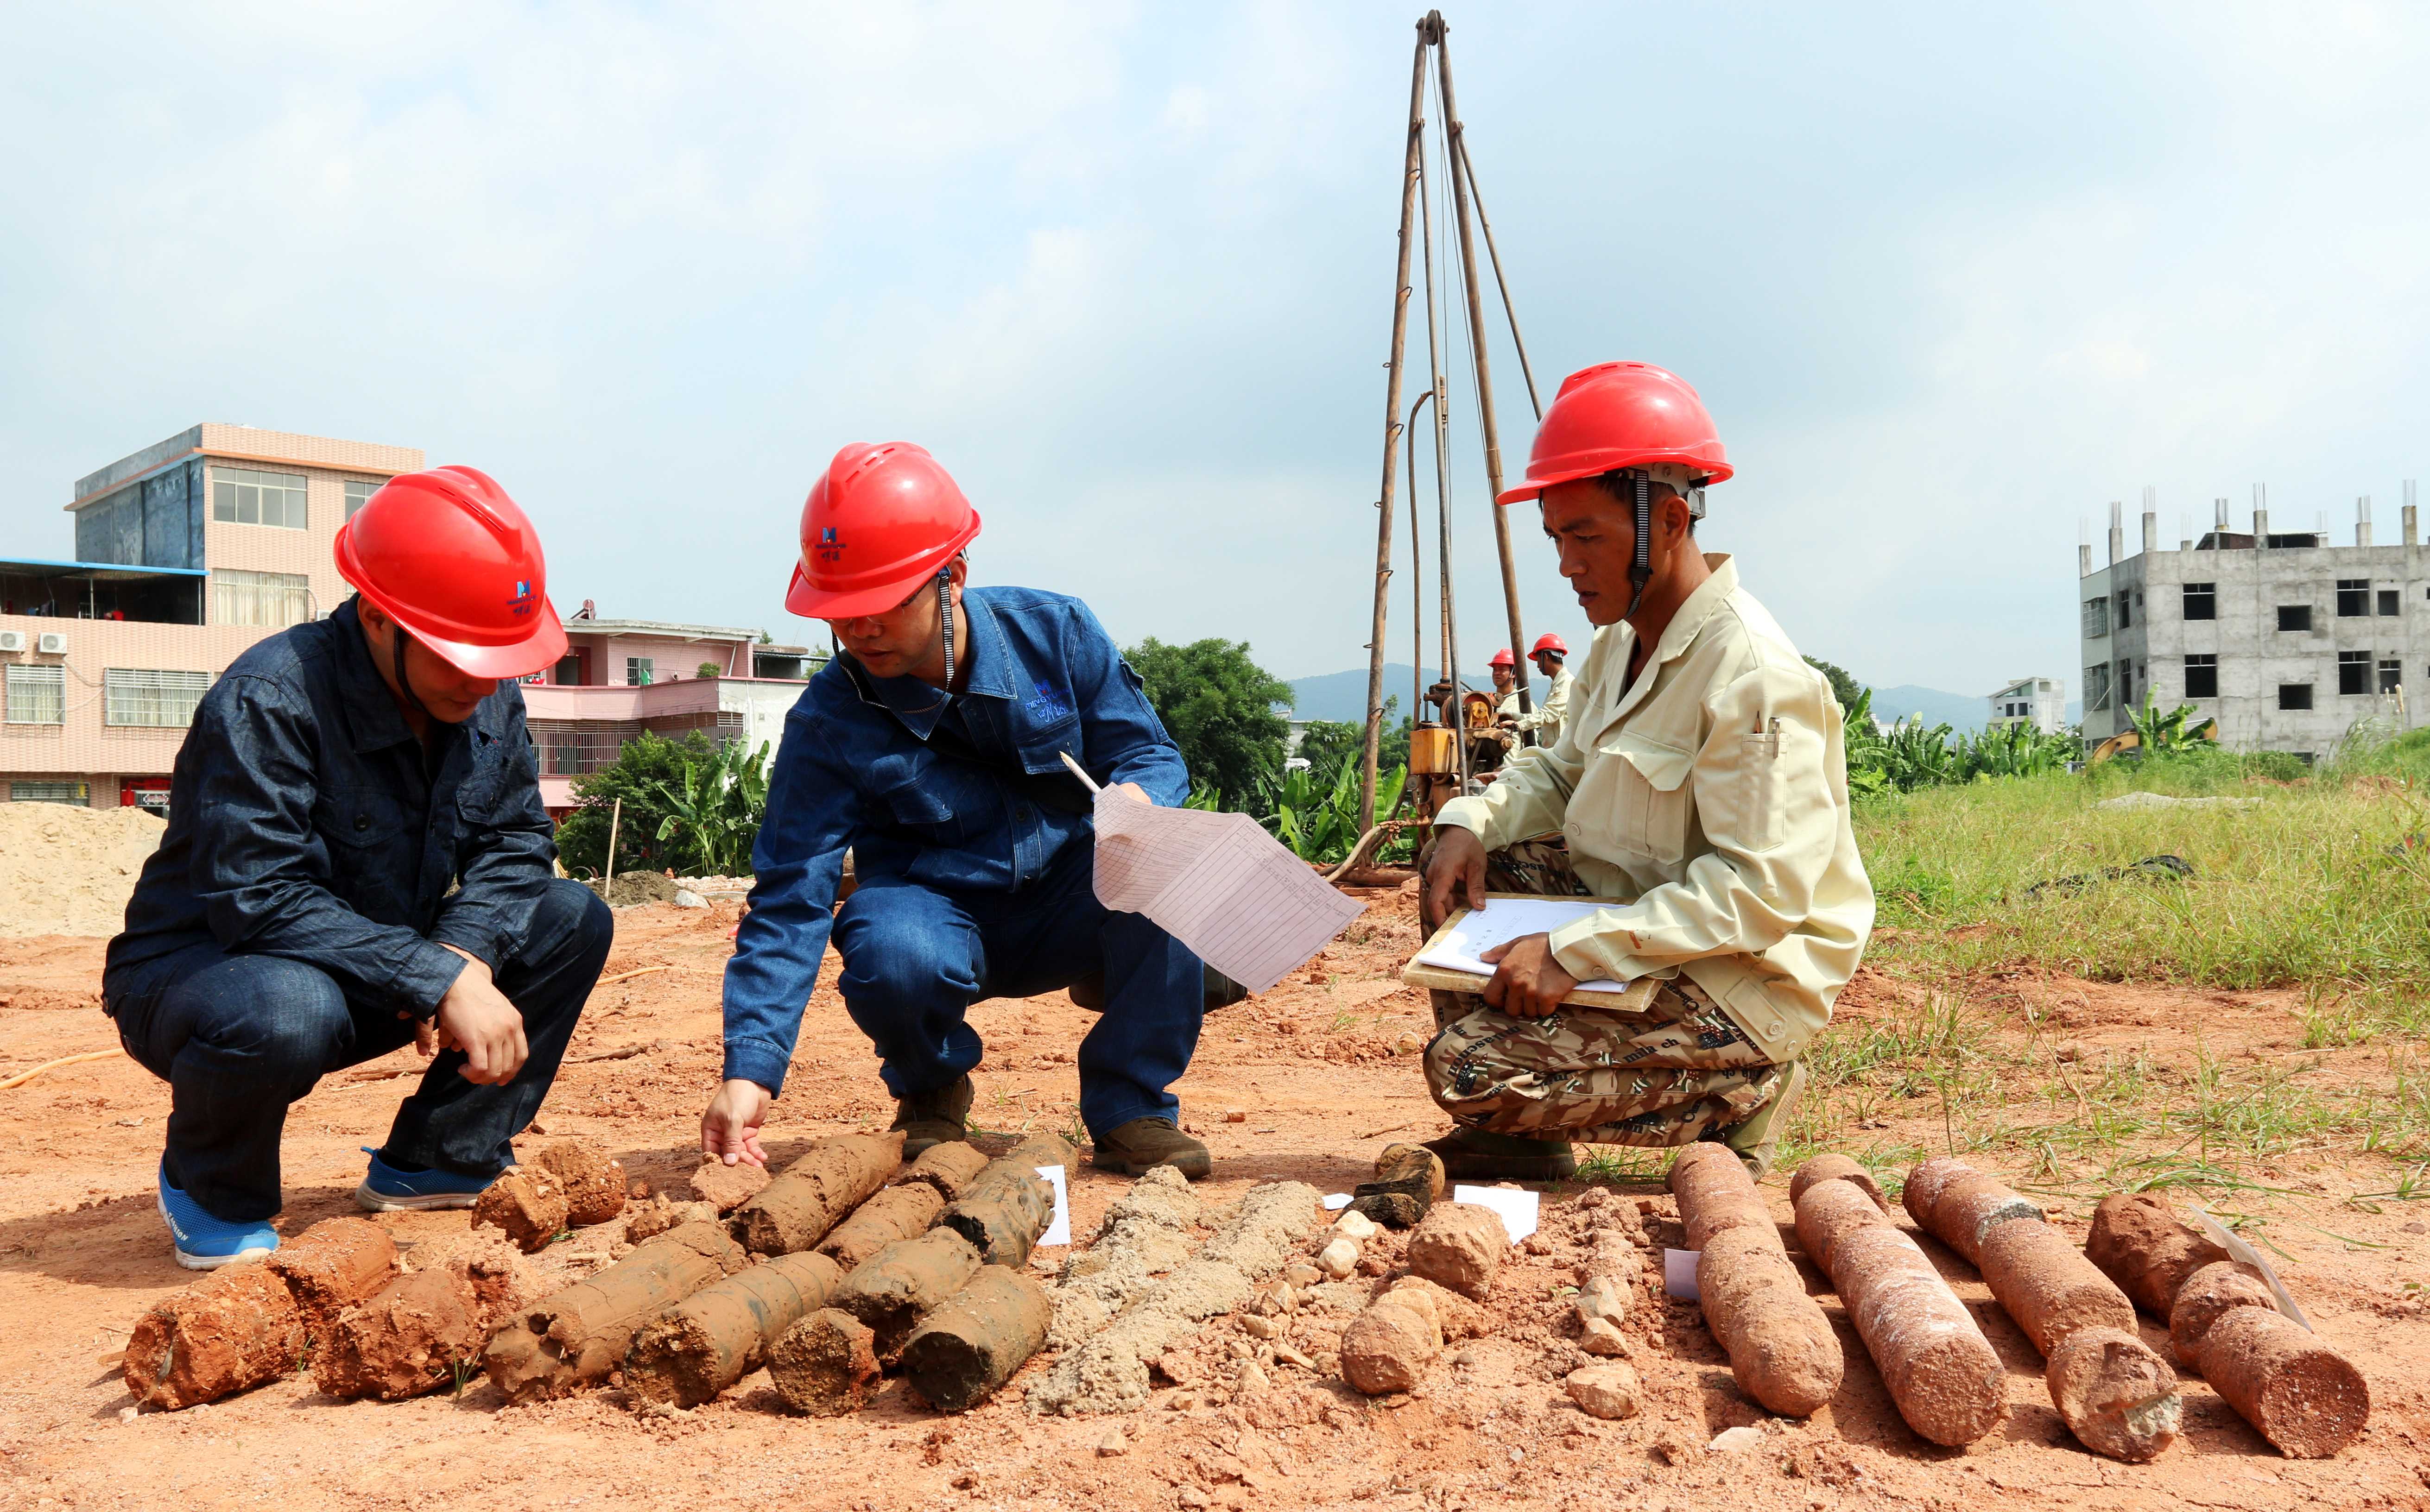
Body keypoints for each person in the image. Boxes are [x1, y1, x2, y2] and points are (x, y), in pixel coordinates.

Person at [105, 467, 613, 1268]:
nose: (480, 679)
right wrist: (437, 978)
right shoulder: (269, 697)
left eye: (496, 659)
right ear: (380, 618)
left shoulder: (484, 693)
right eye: (459, 656)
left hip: (372, 961)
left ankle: (438, 1155)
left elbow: (516, 844)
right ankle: (213, 1186)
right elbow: (259, 897)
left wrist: (463, 958)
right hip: (213, 971)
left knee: (570, 915)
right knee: (285, 1007)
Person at [700, 442, 1215, 1180]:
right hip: (934, 916)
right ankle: (932, 1090)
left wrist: (1138, 799)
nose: (861, 629)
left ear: (953, 579)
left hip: (1074, 898)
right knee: (892, 950)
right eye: (842, 611)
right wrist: (750, 1070)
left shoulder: (1057, 634)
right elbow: (790, 900)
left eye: (883, 603)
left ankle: (1131, 1106)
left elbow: (1154, 757)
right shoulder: (827, 723)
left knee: (1173, 860)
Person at [1415, 361, 1874, 1180]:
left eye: (1584, 535)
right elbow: (1556, 771)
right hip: (1654, 933)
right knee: (1478, 871)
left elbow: (1758, 894)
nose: (1564, 562)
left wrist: (1575, 949)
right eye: (1554, 536)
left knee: (1468, 1068)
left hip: (1739, 978)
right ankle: (1523, 1135)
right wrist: (1466, 822)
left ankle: (1739, 1093)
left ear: (1666, 520)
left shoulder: (1752, 673)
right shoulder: (1616, 644)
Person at [1513, 633, 1572, 739]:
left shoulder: (1567, 683)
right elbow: (1542, 715)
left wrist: (1519, 725)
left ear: (1546, 657)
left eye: (1538, 661)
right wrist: (1513, 717)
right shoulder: (1557, 684)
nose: (1538, 666)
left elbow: (1549, 714)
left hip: (1564, 754)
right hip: (1556, 751)